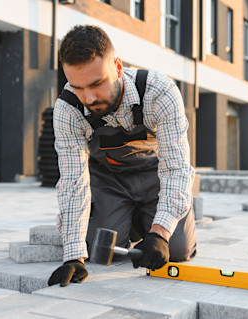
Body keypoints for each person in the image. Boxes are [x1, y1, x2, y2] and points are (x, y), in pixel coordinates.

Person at [48, 25, 197, 287]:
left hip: (156, 177)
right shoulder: (68, 108)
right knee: (99, 252)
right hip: (109, 180)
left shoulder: (159, 92)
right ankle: (132, 218)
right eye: (78, 87)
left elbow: (176, 168)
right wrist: (73, 256)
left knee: (176, 251)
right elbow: (73, 181)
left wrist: (161, 233)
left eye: (97, 83)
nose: (89, 98)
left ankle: (152, 218)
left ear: (117, 66)